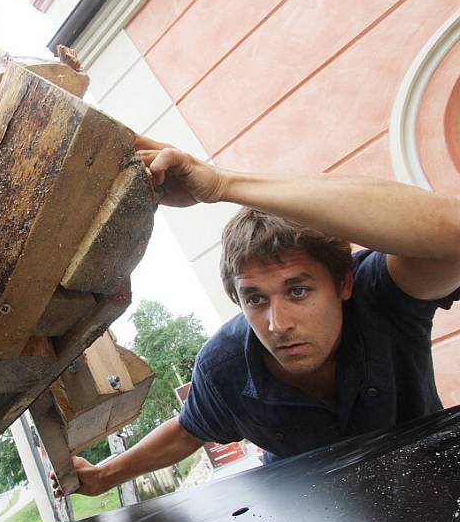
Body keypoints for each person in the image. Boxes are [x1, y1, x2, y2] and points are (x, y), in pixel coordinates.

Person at [53, 136, 460, 497]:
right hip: (320, 517)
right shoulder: (225, 365)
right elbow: (188, 430)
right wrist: (106, 476)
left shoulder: (382, 296)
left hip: (433, 490)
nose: (277, 324)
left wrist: (221, 184)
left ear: (344, 283)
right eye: (255, 299)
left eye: (297, 290)